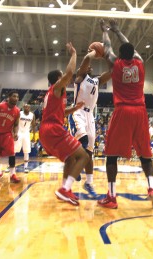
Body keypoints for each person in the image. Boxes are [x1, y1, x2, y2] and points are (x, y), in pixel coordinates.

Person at [97, 19, 153, 209]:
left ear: (120, 55)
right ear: (133, 54)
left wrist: (105, 31)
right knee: (145, 154)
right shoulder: (140, 63)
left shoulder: (115, 64)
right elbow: (127, 47)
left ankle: (111, 196)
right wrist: (117, 30)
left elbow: (107, 48)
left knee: (111, 154)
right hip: (140, 112)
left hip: (123, 110)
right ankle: (152, 188)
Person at [39, 42, 89, 206]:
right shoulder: (56, 87)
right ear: (58, 79)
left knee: (70, 159)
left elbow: (59, 113)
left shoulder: (54, 94)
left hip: (47, 131)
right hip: (53, 130)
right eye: (63, 77)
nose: (66, 79)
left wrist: (73, 108)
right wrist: (74, 54)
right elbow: (69, 73)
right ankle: (65, 189)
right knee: (83, 156)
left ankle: (64, 190)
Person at [68, 48, 111, 198]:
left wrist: (106, 56)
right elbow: (86, 59)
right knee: (83, 141)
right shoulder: (80, 78)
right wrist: (94, 52)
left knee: (89, 152)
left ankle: (89, 182)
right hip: (77, 112)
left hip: (90, 116)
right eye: (86, 67)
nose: (89, 67)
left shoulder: (96, 80)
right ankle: (75, 165)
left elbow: (111, 72)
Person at [14, 103, 36, 173]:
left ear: (30, 108)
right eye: (26, 107)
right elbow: (15, 124)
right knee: (14, 150)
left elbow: (34, 126)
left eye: (28, 107)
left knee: (26, 151)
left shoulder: (32, 115)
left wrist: (34, 136)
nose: (27, 108)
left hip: (26, 133)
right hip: (19, 132)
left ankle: (26, 167)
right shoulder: (19, 113)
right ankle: (11, 166)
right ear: (23, 107)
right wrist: (14, 133)